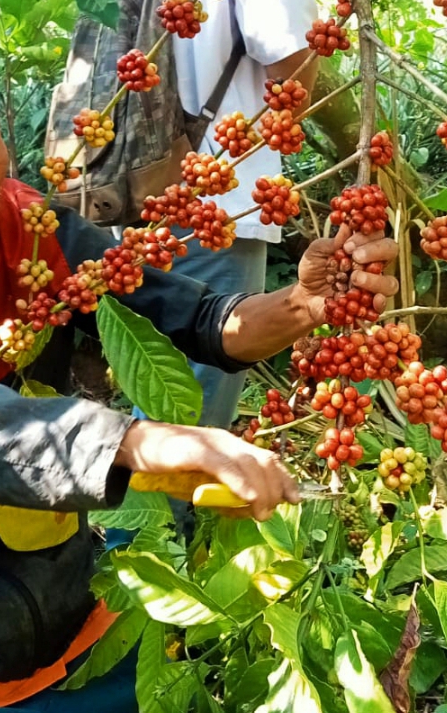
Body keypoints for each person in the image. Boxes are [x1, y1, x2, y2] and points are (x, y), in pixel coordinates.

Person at [0, 18, 398, 713]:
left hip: (74, 628)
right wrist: (130, 439)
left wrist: (302, 304)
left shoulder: (34, 231)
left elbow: (199, 321)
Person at [140, 0, 319, 429]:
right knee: (188, 414)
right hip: (215, 208)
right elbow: (292, 70)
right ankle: (165, 499)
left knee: (156, 384)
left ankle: (144, 497)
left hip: (139, 191)